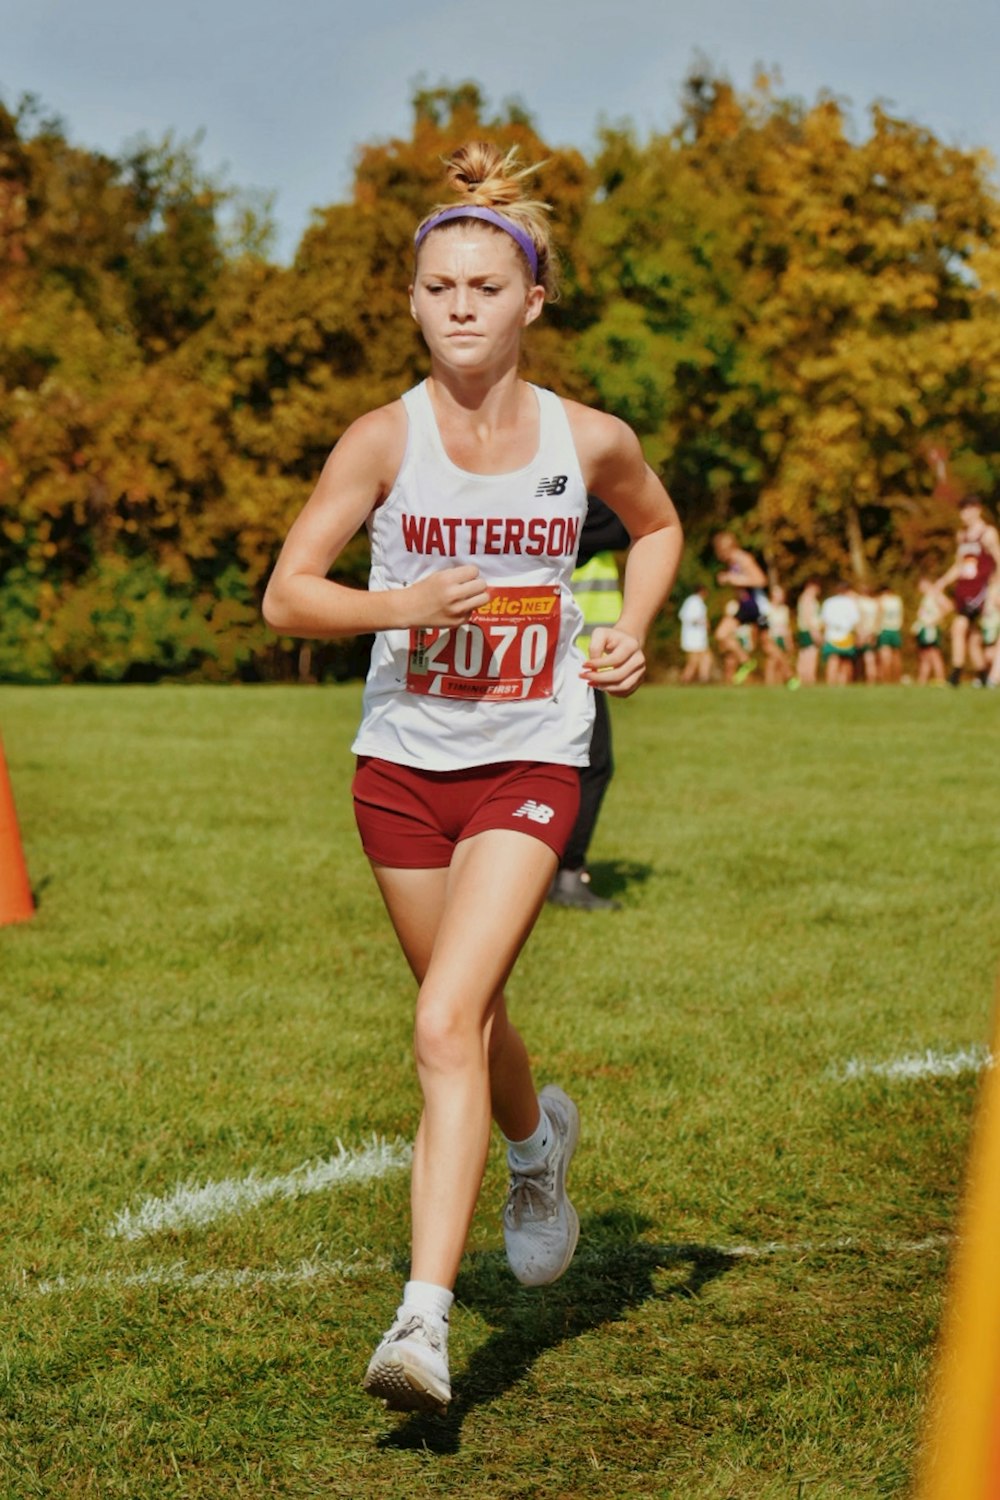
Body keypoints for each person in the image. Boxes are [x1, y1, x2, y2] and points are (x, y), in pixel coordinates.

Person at [261, 142, 682, 1415]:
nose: (458, 306)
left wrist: (632, 627)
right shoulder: (380, 440)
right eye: (436, 287)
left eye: (483, 288)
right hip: (400, 770)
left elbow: (657, 527)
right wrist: (403, 600)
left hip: (531, 758)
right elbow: (288, 594)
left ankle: (423, 1327)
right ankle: (535, 1145)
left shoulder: (586, 439)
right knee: (474, 1019)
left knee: (444, 1024)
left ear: (531, 302)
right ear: (411, 301)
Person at [548, 496, 629, 911]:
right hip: (574, 655)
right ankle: (564, 873)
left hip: (569, 652)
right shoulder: (575, 497)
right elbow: (625, 523)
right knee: (591, 767)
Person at [934, 496, 1000, 686]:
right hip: (964, 589)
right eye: (962, 511)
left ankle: (955, 674)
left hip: (982, 589)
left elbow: (998, 559)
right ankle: (982, 675)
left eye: (968, 510)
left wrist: (996, 588)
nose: (964, 515)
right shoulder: (961, 536)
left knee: (958, 627)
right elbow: (959, 566)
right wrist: (942, 582)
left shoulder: (988, 533)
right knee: (972, 638)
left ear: (977, 510)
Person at [712, 531, 769, 651]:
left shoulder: (743, 558)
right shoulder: (732, 562)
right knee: (721, 634)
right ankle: (747, 662)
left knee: (767, 646)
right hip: (744, 606)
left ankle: (788, 670)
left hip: (755, 606)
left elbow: (761, 580)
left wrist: (732, 579)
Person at [819, 582, 860, 685]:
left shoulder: (828, 602)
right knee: (846, 662)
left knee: (833, 660)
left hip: (831, 636)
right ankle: (843, 685)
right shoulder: (851, 603)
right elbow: (855, 621)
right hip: (846, 636)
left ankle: (831, 684)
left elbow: (824, 621)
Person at [912, 578, 949, 684]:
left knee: (934, 653)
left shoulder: (935, 594)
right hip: (924, 628)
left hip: (931, 629)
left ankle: (940, 678)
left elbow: (948, 606)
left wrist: (935, 620)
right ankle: (922, 680)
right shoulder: (926, 596)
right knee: (924, 655)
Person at [678, 585, 712, 684]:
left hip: (697, 636)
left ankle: (703, 677)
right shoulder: (693, 601)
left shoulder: (696, 601)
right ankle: (686, 679)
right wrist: (704, 622)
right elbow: (688, 617)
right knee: (694, 660)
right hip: (693, 636)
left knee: (703, 657)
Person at [794, 580, 822, 686]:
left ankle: (803, 678)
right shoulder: (808, 599)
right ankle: (809, 678)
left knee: (804, 654)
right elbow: (809, 617)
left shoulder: (804, 598)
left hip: (805, 629)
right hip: (809, 630)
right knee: (810, 654)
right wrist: (815, 632)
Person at [876, 584, 905, 683]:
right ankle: (897, 679)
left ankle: (886, 680)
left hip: (885, 629)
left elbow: (879, 615)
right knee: (896, 656)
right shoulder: (898, 600)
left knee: (885, 657)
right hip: (896, 629)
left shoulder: (881, 600)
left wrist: (876, 630)